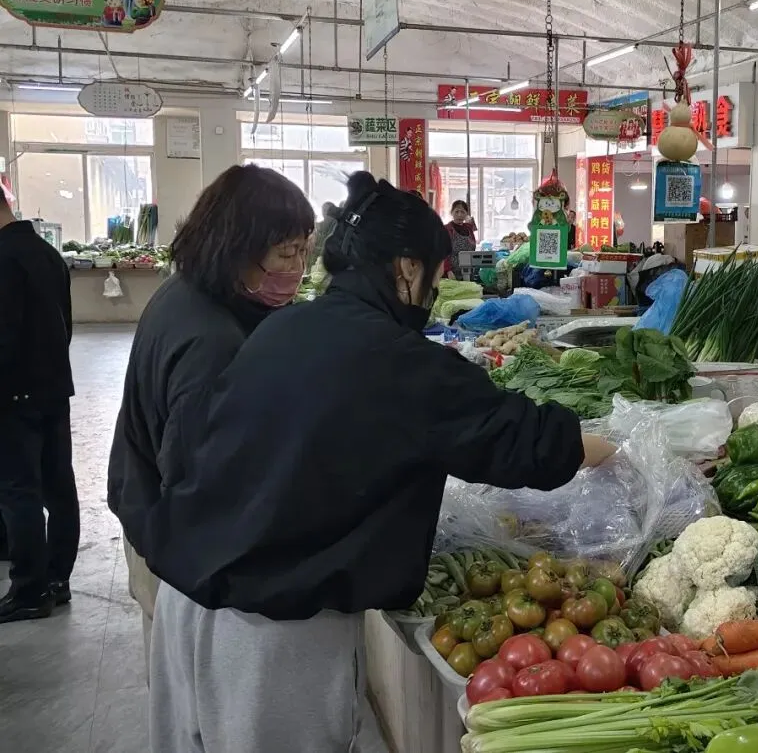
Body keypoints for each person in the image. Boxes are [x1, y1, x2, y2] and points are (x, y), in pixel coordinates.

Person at [141, 172, 616, 753]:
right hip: (269, 637)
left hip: (185, 605)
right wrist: (616, 450)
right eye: (436, 278)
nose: (434, 293)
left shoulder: (284, 326)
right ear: (407, 269)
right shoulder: (401, 362)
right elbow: (526, 442)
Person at [107, 164, 314, 676]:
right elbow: (200, 486)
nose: (299, 268)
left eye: (303, 251)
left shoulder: (185, 290)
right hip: (175, 552)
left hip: (146, 512)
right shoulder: (211, 344)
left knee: (179, 691)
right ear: (237, 248)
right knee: (198, 696)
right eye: (286, 253)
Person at [0, 198, 78, 623]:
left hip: (14, 393)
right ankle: (57, 579)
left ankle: (30, 590)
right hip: (53, 388)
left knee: (19, 492)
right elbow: (66, 323)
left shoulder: (4, 258)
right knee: (58, 486)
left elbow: (4, 337)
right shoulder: (48, 254)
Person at [444, 198, 477, 279]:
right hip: (452, 274)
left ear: (466, 214)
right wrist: (448, 270)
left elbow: (473, 248)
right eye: (456, 211)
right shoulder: (447, 229)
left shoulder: (469, 228)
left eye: (462, 212)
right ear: (451, 212)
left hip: (469, 272)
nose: (459, 215)